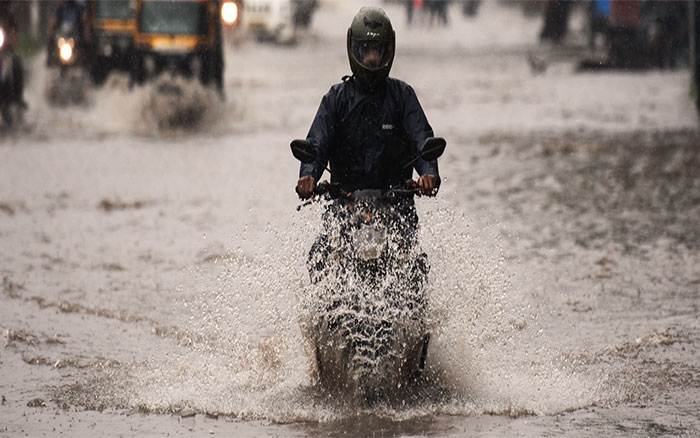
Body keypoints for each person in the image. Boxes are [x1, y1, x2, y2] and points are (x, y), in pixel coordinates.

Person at [296, 6, 440, 204]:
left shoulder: (403, 96)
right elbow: (316, 143)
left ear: (388, 51)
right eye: (366, 50)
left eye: (377, 50)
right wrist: (308, 176)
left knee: (406, 233)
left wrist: (429, 174)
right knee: (326, 236)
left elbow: (422, 139)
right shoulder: (335, 98)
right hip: (344, 206)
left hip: (396, 207)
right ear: (355, 50)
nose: (372, 58)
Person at [46, 0, 90, 65]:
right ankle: (51, 59)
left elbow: (84, 19)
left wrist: (86, 32)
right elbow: (54, 19)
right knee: (53, 44)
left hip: (75, 34)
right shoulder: (61, 7)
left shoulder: (79, 7)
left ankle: (85, 62)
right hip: (63, 34)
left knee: (84, 46)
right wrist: (50, 32)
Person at [0, 0, 25, 109]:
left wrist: (10, 41)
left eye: (5, 4)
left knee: (17, 64)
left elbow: (14, 37)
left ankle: (17, 98)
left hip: (5, 53)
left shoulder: (10, 18)